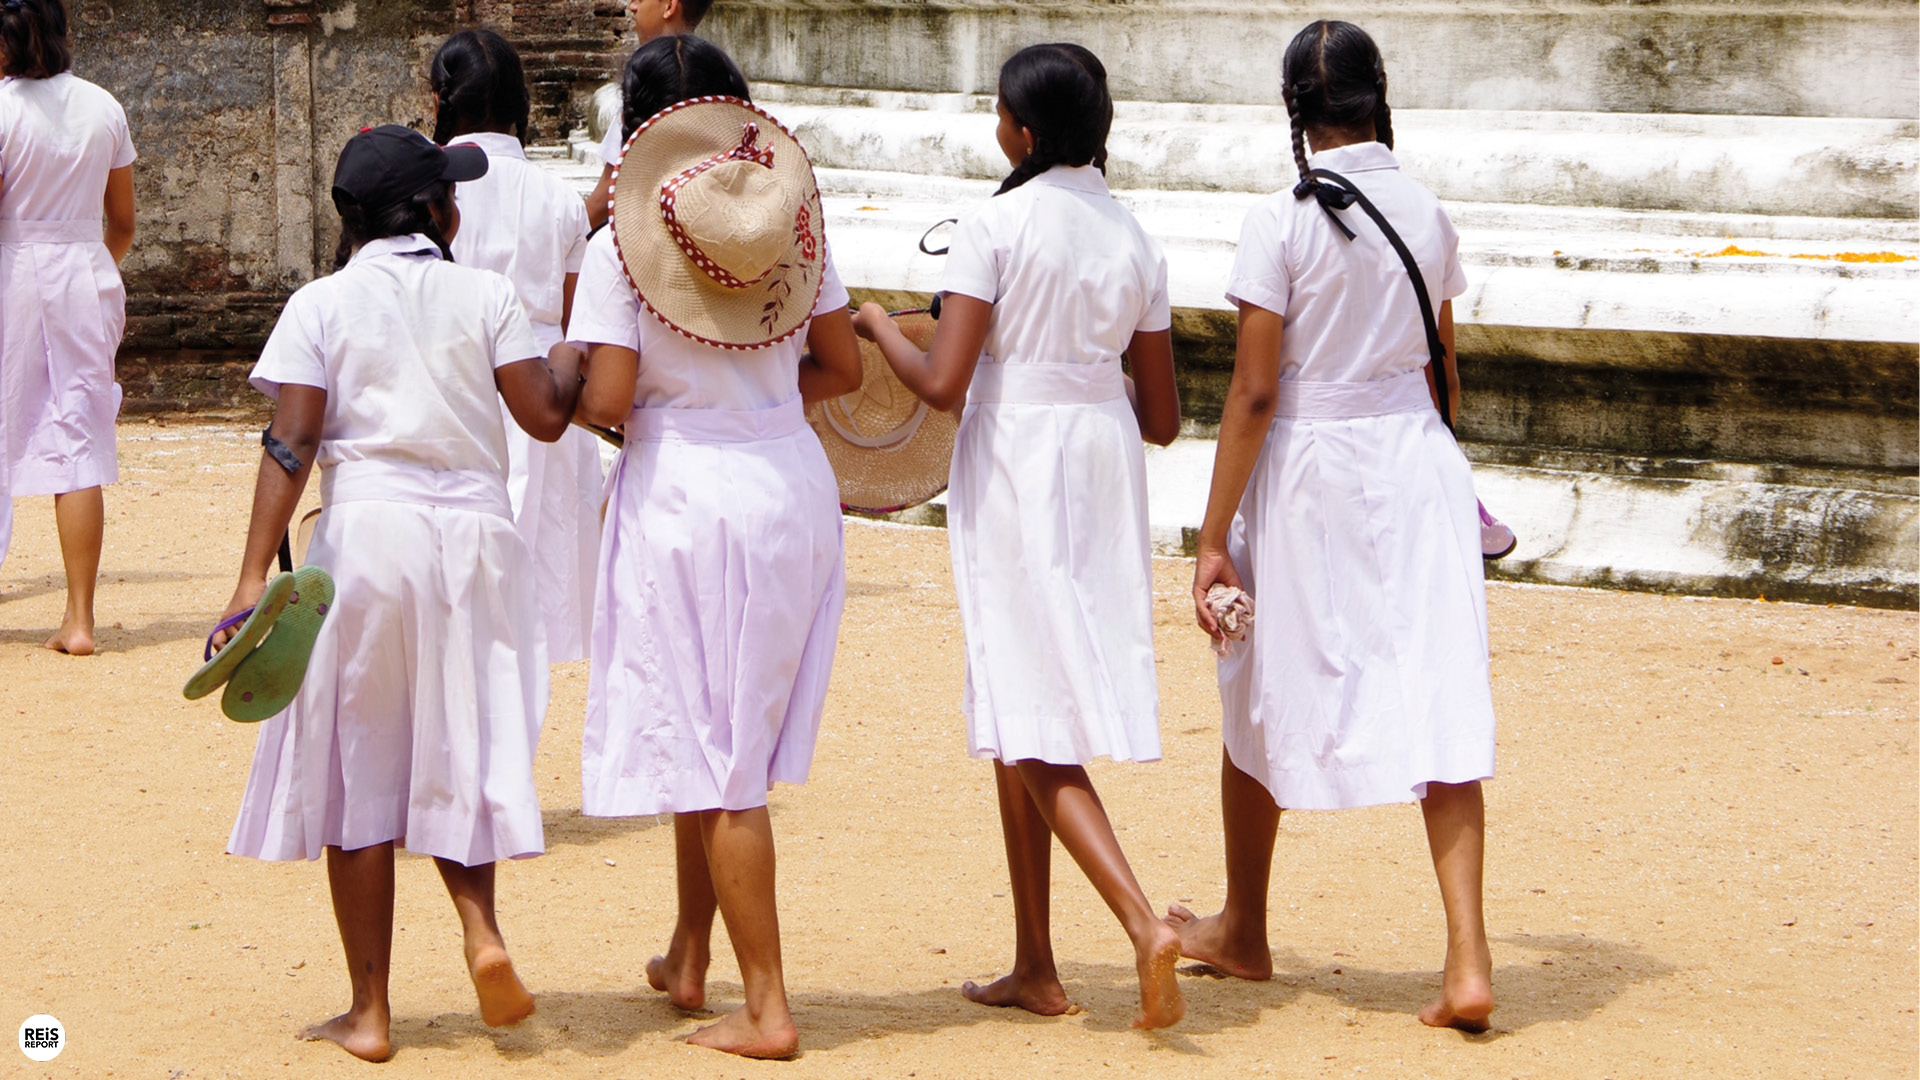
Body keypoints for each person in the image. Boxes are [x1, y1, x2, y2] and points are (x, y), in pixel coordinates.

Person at [217, 126, 583, 1062]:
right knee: (462, 742)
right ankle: (481, 932)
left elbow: (292, 441)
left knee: (359, 767)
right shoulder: (487, 292)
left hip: (366, 539)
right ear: (435, 213)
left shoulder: (321, 303)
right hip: (473, 540)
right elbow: (545, 418)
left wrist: (253, 575)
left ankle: (370, 1011)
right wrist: (582, 347)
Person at [1171, 19, 1498, 1032]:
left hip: (1309, 469)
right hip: (1413, 465)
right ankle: (1469, 961)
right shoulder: (1430, 213)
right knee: (1440, 693)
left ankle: (1246, 927)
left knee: (1254, 684)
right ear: (1376, 97)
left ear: (1296, 114)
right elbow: (1444, 370)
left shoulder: (1281, 219)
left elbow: (1256, 391)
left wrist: (1212, 530)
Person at [853, 42, 1185, 1031]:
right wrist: (1087, 380)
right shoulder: (1133, 236)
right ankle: (1034, 963)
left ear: (1025, 131)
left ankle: (1138, 919)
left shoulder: (993, 225)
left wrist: (878, 326)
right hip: (1101, 456)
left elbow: (944, 384)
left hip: (1018, 464)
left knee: (1026, 702)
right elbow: (1164, 417)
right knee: (1018, 695)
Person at [565, 35, 862, 1059]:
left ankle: (768, 1004)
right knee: (716, 735)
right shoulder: (792, 226)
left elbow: (604, 398)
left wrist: (626, 406)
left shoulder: (618, 250)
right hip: (789, 480)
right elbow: (840, 366)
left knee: (719, 753)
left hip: (688, 495)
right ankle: (691, 952)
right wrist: (758, 399)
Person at [432, 28, 600, 663]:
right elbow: (575, 313)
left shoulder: (430, 185)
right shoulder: (561, 201)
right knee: (541, 580)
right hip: (544, 393)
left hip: (456, 380)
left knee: (454, 569)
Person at [0, 0, 136, 654]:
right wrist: (86, 272)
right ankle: (80, 620)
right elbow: (124, 224)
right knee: (77, 438)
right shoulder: (103, 106)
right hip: (86, 275)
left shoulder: (0, 111)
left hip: (12, 273)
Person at [584, 0, 715, 230]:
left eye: (640, 0)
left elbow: (603, 200)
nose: (632, 6)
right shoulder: (720, 75)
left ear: (669, 7)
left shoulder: (643, 87)